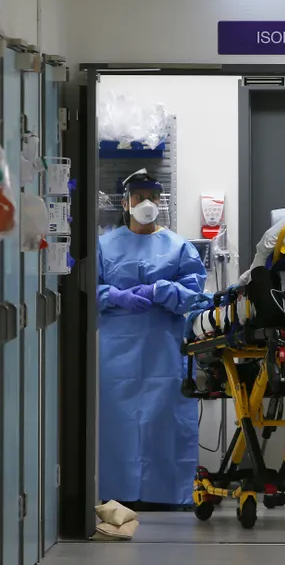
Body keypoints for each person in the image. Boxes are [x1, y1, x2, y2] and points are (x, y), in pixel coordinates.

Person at [96, 169, 206, 509]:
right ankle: (119, 490)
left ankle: (168, 494)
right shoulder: (104, 244)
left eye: (153, 197)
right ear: (126, 203)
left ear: (161, 202)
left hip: (165, 349)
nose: (146, 203)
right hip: (117, 352)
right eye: (139, 196)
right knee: (120, 423)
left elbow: (193, 293)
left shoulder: (178, 246)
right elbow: (86, 290)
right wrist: (114, 296)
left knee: (164, 421)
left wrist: (161, 289)